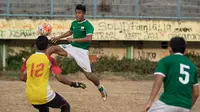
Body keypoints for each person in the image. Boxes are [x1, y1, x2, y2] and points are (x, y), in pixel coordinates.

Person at [46, 4, 107, 101]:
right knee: (52, 48)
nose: (77, 15)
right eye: (76, 13)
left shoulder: (88, 25)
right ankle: (39, 61)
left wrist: (74, 39)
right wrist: (58, 37)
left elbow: (88, 39)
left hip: (81, 52)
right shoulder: (74, 23)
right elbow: (69, 32)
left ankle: (100, 87)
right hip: (71, 48)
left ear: (84, 14)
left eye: (79, 13)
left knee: (89, 75)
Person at [20, 36, 86, 112]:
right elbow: (60, 78)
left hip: (30, 95)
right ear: (48, 46)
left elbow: (22, 77)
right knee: (65, 106)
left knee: (43, 108)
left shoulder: (29, 59)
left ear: (35, 45)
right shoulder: (49, 59)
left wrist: (34, 81)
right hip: (44, 95)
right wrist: (73, 84)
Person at [145, 37, 199, 112]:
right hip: (186, 106)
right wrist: (188, 107)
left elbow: (158, 80)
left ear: (170, 48)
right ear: (185, 50)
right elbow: (196, 93)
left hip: (167, 102)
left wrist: (150, 101)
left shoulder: (165, 61)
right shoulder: (193, 66)